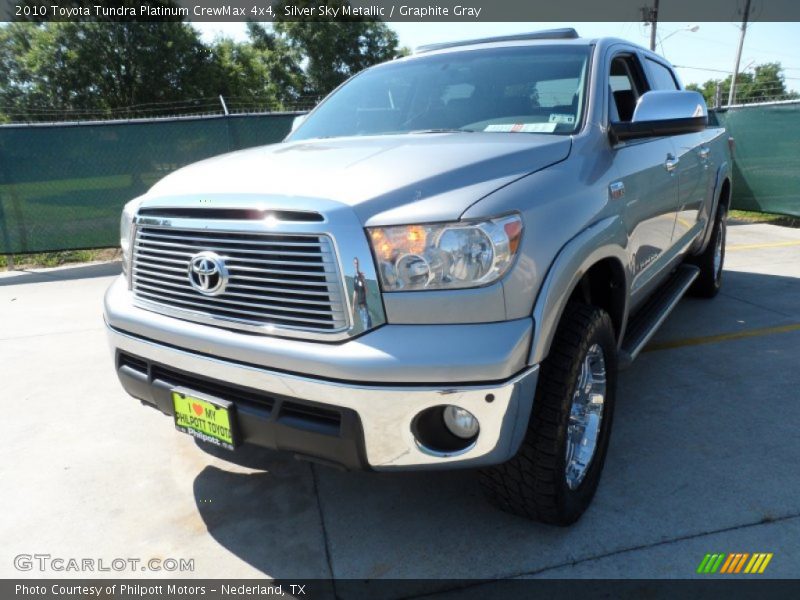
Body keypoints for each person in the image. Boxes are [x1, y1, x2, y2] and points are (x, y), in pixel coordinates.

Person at [352, 257, 372, 329]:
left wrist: (364, 280)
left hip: (364, 304)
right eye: (355, 263)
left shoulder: (361, 276)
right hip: (359, 306)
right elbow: (355, 292)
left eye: (357, 263)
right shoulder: (355, 278)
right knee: (366, 324)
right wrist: (353, 306)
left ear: (359, 264)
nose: (356, 264)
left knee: (367, 325)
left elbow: (367, 292)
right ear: (353, 264)